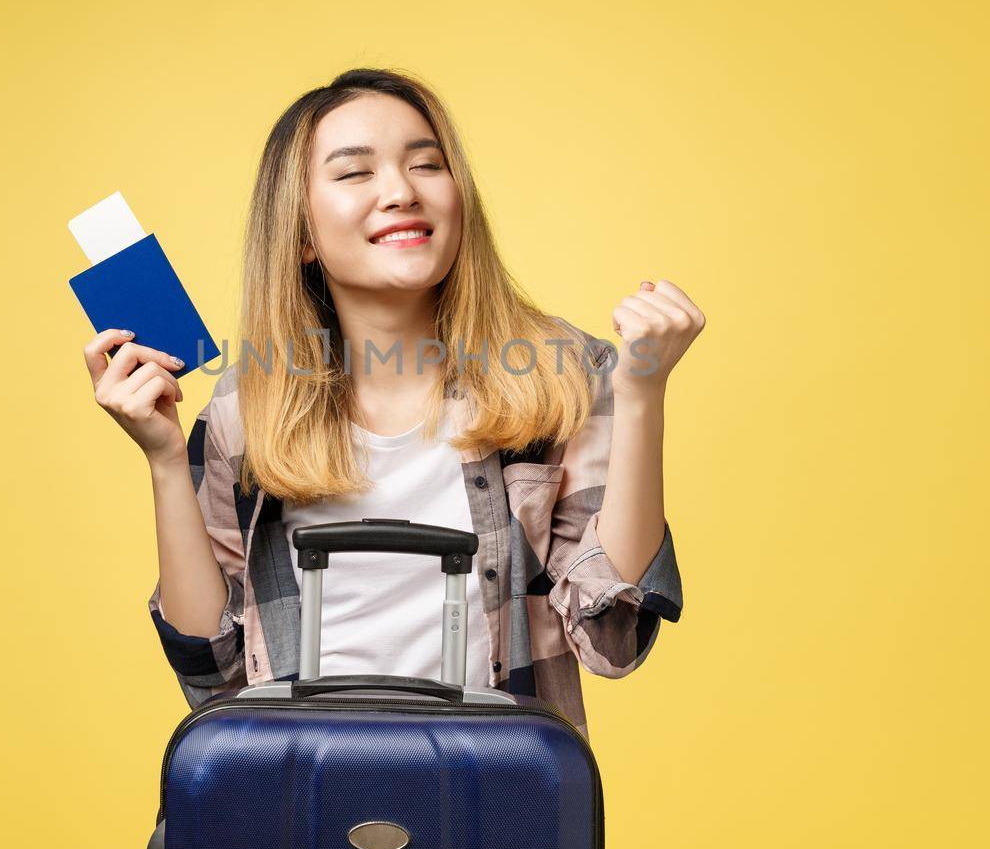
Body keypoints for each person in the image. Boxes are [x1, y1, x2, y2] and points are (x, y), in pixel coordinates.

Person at [82, 68, 705, 745]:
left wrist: (644, 392)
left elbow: (614, 639)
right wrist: (168, 459)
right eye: (355, 173)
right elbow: (211, 674)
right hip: (299, 804)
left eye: (427, 164)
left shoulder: (561, 376)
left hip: (499, 808)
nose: (401, 191)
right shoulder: (247, 407)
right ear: (302, 236)